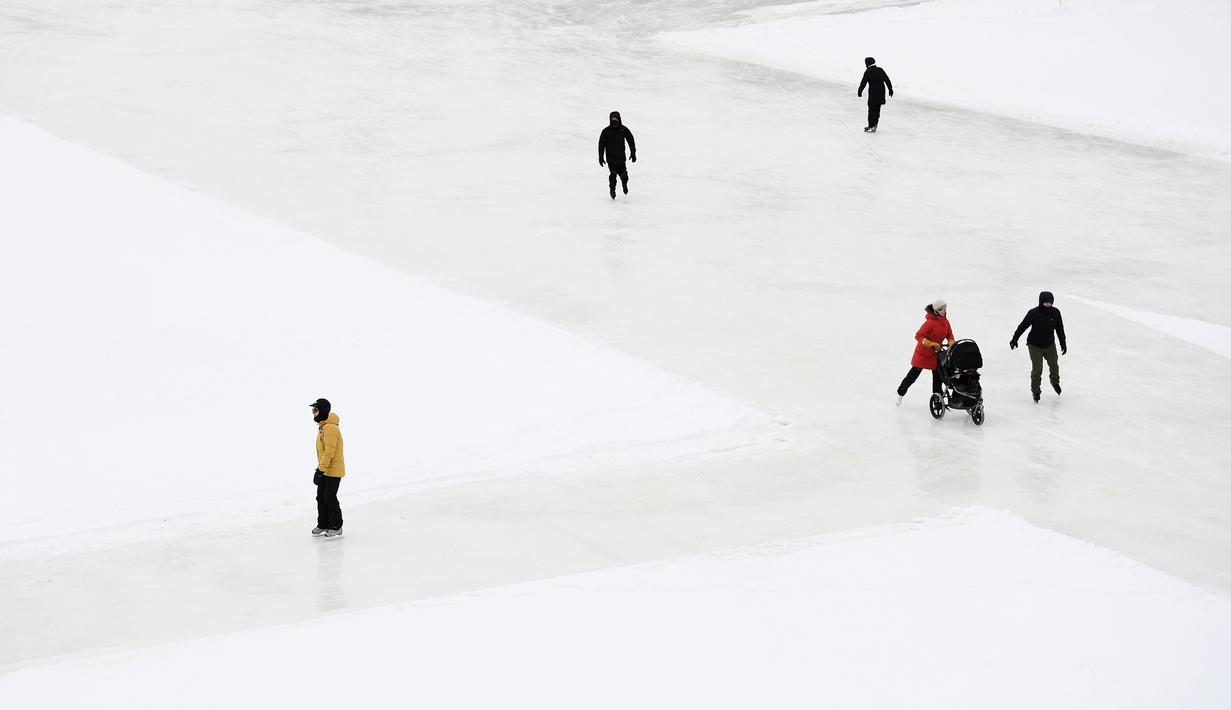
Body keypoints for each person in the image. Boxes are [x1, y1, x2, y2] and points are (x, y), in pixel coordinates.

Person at [1010, 291, 1067, 403]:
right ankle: (1035, 390)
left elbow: (1060, 329)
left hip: (1049, 344)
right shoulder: (1033, 313)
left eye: (1050, 303)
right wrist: (1015, 339)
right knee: (1037, 368)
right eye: (1046, 302)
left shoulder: (1055, 313)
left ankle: (1055, 382)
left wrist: (1063, 343)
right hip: (1034, 345)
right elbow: (1022, 326)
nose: (1048, 305)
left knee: (1054, 364)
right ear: (1041, 302)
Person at [896, 300, 955, 406]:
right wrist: (928, 343)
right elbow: (918, 335)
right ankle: (900, 393)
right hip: (923, 354)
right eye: (941, 309)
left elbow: (950, 335)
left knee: (938, 378)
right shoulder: (929, 323)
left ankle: (937, 401)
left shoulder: (946, 322)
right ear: (936, 311)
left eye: (945, 309)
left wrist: (951, 342)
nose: (944, 311)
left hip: (937, 354)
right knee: (912, 376)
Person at [310, 398, 345, 538]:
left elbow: (329, 452)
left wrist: (320, 470)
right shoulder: (323, 426)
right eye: (313, 410)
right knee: (320, 497)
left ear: (323, 411)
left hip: (333, 470)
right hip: (326, 469)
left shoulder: (330, 428)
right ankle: (323, 524)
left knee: (329, 497)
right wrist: (321, 469)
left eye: (315, 410)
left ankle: (336, 526)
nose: (313, 413)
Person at [598, 110, 636, 200]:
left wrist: (633, 153)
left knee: (624, 175)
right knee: (613, 175)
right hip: (611, 159)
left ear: (619, 119)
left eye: (616, 119)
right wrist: (600, 157)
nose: (614, 121)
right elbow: (601, 145)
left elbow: (631, 140)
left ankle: (624, 183)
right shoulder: (606, 131)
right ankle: (612, 190)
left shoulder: (623, 129)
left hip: (621, 159)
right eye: (612, 120)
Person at [857, 57, 893, 133]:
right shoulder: (880, 70)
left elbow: (863, 82)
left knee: (871, 110)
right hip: (881, 93)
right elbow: (887, 80)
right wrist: (890, 90)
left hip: (873, 94)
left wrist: (860, 91)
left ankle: (871, 126)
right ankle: (875, 125)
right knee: (877, 110)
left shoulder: (868, 71)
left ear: (867, 64)